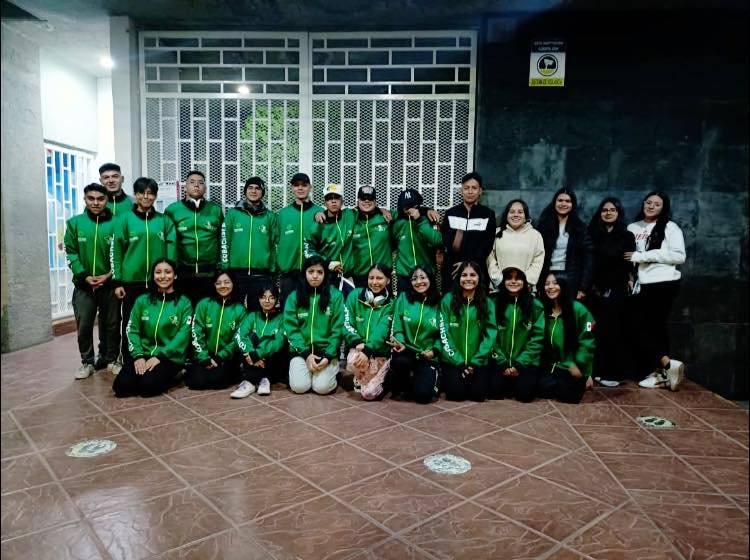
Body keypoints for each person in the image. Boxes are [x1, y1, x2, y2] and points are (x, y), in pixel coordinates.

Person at [112, 177, 176, 368]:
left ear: (155, 196)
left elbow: (172, 251)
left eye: (150, 193)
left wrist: (170, 277)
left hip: (159, 282)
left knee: (155, 321)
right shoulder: (124, 220)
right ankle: (128, 359)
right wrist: (117, 281)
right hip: (131, 282)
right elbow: (116, 251)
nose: (146, 197)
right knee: (130, 323)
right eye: (141, 193)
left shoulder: (164, 221)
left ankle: (154, 358)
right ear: (136, 195)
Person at [626, 191, 686, 391]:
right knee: (643, 326)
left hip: (663, 283)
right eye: (648, 202)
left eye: (657, 204)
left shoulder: (670, 227)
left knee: (652, 326)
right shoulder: (633, 227)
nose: (651, 206)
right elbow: (628, 257)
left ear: (663, 208)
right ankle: (667, 368)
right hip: (640, 285)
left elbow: (679, 256)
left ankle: (663, 370)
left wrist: (642, 256)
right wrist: (630, 276)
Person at [112, 259, 193, 398]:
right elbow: (132, 329)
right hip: (143, 353)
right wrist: (138, 356)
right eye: (158, 272)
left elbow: (183, 335)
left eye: (168, 272)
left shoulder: (184, 303)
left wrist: (160, 356)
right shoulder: (142, 300)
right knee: (121, 387)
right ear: (153, 276)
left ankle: (177, 375)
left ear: (175, 276)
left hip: (168, 358)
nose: (163, 276)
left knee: (147, 387)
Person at [64, 183, 119, 379]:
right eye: (91, 198)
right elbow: (70, 252)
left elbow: (121, 253)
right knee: (84, 325)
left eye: (100, 199)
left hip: (109, 284)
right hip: (84, 286)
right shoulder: (74, 223)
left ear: (107, 200)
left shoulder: (117, 223)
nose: (96, 202)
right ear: (85, 199)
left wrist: (109, 274)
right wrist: (84, 275)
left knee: (112, 324)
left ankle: (112, 360)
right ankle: (87, 362)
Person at [587, 197, 636, 387]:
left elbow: (627, 264)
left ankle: (611, 372)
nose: (608, 213)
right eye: (605, 210)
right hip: (593, 291)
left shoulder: (627, 236)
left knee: (613, 331)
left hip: (616, 290)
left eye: (612, 210)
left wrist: (626, 280)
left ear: (618, 213)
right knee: (592, 330)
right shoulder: (592, 233)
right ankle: (594, 370)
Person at [284, 255, 345, 395]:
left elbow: (338, 329)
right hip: (301, 352)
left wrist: (328, 356)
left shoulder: (336, 296)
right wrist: (306, 354)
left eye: (320, 272)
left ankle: (331, 373)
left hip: (326, 352)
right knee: (299, 387)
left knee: (322, 388)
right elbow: (291, 329)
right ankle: (308, 373)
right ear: (304, 273)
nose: (315, 276)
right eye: (311, 271)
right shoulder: (294, 297)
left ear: (325, 274)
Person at [164, 170, 224, 307]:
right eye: (192, 182)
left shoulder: (215, 210)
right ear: (185, 187)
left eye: (200, 183)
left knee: (207, 313)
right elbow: (168, 242)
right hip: (182, 274)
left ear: (205, 188)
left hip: (209, 274)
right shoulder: (172, 210)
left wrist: (221, 267)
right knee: (184, 312)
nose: (196, 185)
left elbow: (222, 239)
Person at [439, 261, 497, 401]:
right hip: (453, 361)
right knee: (456, 395)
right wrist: (458, 361)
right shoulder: (447, 300)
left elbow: (490, 334)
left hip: (478, 361)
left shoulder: (487, 303)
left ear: (479, 278)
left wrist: (476, 361)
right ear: (458, 278)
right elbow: (444, 333)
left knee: (479, 395)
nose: (468, 279)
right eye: (464, 275)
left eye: (473, 275)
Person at [220, 176, 278, 310]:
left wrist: (272, 269)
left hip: (261, 274)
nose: (253, 191)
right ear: (245, 191)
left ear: (262, 192)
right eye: (250, 188)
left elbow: (275, 244)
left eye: (257, 188)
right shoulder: (233, 214)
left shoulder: (269, 216)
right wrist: (225, 267)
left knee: (257, 312)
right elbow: (224, 241)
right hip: (236, 273)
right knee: (234, 310)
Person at [538, 272, 596, 404]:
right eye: (547, 284)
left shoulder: (579, 309)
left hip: (572, 365)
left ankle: (585, 377)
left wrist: (581, 366)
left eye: (555, 283)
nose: (550, 287)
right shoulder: (543, 310)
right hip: (552, 365)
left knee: (569, 396)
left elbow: (588, 339)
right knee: (541, 389)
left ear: (564, 285)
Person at [490, 266, 545, 403]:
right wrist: (503, 362)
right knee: (494, 392)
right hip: (500, 361)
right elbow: (490, 335)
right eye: (509, 278)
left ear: (524, 282)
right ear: (503, 281)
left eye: (518, 278)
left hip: (525, 363)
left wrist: (519, 364)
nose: (513, 281)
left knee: (525, 396)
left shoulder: (535, 305)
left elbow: (537, 338)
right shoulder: (494, 303)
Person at [186, 270, 248, 391]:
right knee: (195, 382)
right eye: (218, 283)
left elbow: (238, 339)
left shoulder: (240, 310)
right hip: (204, 354)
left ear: (233, 284)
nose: (223, 286)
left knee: (218, 381)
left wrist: (220, 357)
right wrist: (204, 357)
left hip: (226, 357)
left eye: (227, 282)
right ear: (214, 285)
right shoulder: (204, 304)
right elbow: (196, 332)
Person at [388, 265, 441, 403]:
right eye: (414, 278)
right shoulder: (403, 298)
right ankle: (406, 382)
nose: (419, 282)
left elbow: (443, 334)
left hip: (427, 355)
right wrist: (400, 342)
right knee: (399, 363)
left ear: (431, 279)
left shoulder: (440, 303)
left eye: (423, 277)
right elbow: (397, 325)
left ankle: (431, 378)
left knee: (423, 397)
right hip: (406, 351)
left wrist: (435, 351)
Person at [343, 264, 394, 400]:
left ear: (388, 280)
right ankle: (365, 377)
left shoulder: (392, 304)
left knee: (369, 394)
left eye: (379, 278)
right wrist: (357, 341)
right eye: (371, 278)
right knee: (353, 360)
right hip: (359, 348)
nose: (374, 282)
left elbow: (382, 331)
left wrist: (368, 350)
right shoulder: (354, 295)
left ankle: (385, 377)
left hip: (379, 353)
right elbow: (346, 323)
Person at [442, 172, 496, 290]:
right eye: (466, 188)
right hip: (453, 271)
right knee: (451, 300)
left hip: (477, 271)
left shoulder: (488, 215)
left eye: (474, 188)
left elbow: (487, 245)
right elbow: (446, 242)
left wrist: (468, 264)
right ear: (461, 191)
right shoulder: (451, 213)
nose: (470, 192)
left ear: (480, 191)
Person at [537, 188, 593, 301]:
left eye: (568, 201)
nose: (563, 204)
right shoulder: (543, 227)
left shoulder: (580, 228)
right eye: (560, 200)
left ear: (572, 205)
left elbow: (588, 260)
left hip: (570, 278)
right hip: (547, 276)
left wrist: (583, 288)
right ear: (554, 202)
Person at [276, 173, 324, 302]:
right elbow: (275, 241)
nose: (300, 188)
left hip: (313, 274)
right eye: (296, 185)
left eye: (304, 185)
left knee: (311, 311)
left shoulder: (320, 212)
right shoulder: (283, 214)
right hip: (288, 275)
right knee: (287, 309)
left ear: (310, 188)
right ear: (292, 188)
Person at [233, 284, 288, 398]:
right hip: (251, 359)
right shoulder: (252, 316)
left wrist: (257, 354)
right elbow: (239, 335)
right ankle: (255, 382)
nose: (267, 301)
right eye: (263, 297)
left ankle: (255, 380)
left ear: (277, 299)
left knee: (269, 340)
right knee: (251, 337)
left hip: (272, 363)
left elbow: (279, 342)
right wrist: (251, 353)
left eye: (271, 297)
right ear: (258, 299)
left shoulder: (282, 318)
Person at [487, 199, 545, 292]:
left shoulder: (535, 235)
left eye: (520, 212)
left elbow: (538, 261)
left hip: (526, 289)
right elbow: (490, 258)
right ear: (506, 215)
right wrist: (499, 280)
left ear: (525, 216)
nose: (516, 215)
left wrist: (526, 281)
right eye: (512, 212)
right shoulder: (496, 233)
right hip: (500, 288)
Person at [392, 188, 443, 294]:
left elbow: (436, 241)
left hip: (426, 275)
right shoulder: (397, 222)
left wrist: (419, 220)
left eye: (413, 206)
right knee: (404, 304)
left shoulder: (428, 218)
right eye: (406, 207)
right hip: (405, 276)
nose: (410, 210)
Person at [308, 183, 356, 291]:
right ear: (324, 202)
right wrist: (327, 263)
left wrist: (382, 210)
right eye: (329, 198)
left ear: (342, 201)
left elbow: (366, 208)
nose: (333, 201)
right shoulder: (318, 224)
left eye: (336, 198)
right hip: (327, 277)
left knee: (349, 302)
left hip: (348, 277)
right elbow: (308, 249)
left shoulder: (350, 215)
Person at [349, 186, 393, 288]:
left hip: (383, 276)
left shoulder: (386, 217)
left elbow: (406, 211)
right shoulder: (350, 219)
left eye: (370, 198)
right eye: (363, 199)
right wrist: (319, 213)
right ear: (357, 202)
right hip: (360, 277)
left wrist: (426, 210)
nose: (366, 201)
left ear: (375, 202)